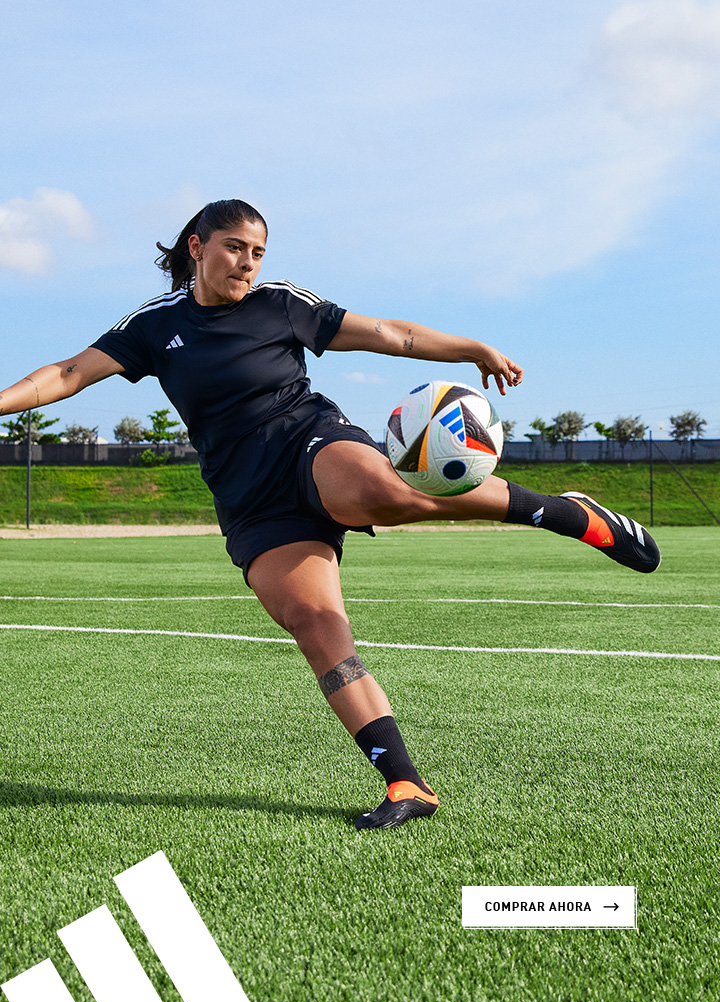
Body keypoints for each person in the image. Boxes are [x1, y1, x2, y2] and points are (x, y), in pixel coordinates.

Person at [0, 199, 660, 831]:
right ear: (197, 247)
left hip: (306, 439)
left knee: (390, 493)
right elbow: (65, 373)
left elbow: (389, 334)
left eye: (257, 252)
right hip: (248, 497)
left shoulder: (280, 304)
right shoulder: (154, 325)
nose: (247, 264)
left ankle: (564, 514)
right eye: (235, 248)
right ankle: (406, 783)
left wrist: (471, 348)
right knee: (319, 629)